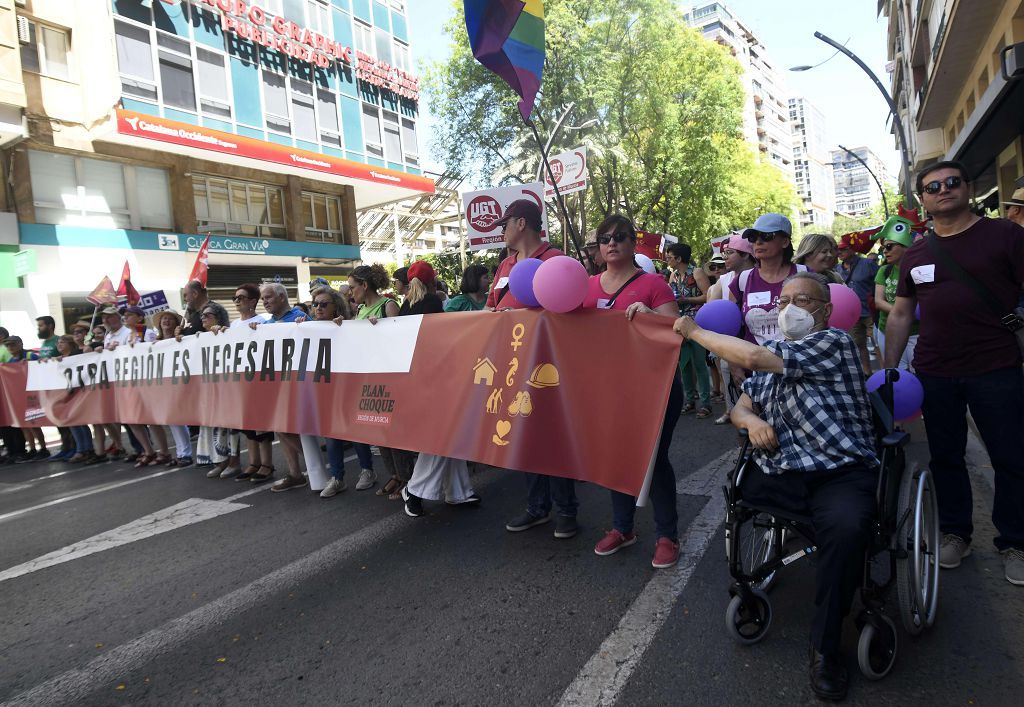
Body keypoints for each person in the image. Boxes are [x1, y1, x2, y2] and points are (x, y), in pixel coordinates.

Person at [676, 272, 877, 701]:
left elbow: (750, 357)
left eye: (802, 300)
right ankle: (749, 584)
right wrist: (752, 421)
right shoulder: (775, 357)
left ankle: (825, 649)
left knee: (844, 529)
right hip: (785, 468)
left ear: (824, 311)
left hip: (839, 470)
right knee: (742, 496)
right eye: (784, 300)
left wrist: (694, 331)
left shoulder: (834, 344)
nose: (789, 308)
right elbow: (742, 409)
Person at [884, 160, 1024, 586]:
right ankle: (955, 533)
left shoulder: (1007, 235)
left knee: (1011, 457)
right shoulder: (917, 253)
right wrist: (890, 370)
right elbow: (902, 313)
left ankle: (1015, 542)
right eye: (932, 187)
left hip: (996, 367)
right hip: (935, 370)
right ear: (923, 200)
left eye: (951, 183)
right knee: (946, 456)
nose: (943, 190)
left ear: (968, 187)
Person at [583, 214, 684, 568]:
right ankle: (622, 528)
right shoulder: (587, 286)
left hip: (655, 392)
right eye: (605, 237)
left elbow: (677, 331)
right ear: (598, 247)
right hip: (609, 391)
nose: (612, 243)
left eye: (621, 237)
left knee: (653, 461)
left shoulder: (654, 284)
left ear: (632, 243)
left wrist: (650, 317)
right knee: (616, 456)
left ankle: (667, 536)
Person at [489, 200, 579, 540]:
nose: (502, 230)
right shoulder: (504, 266)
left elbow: (574, 311)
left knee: (554, 437)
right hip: (512, 366)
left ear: (522, 223)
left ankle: (566, 510)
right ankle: (537, 507)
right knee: (524, 435)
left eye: (505, 224)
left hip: (549, 368)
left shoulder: (556, 261)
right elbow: (491, 309)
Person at [349, 264, 401, 493]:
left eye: (353, 287)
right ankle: (394, 475)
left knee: (394, 431)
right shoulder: (359, 310)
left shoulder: (388, 306)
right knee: (379, 431)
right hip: (368, 378)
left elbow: (398, 340)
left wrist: (380, 330)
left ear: (364, 285)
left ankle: (405, 477)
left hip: (388, 378)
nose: (351, 292)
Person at [257, 282, 309, 491]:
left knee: (290, 428)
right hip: (277, 386)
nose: (265, 302)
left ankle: (320, 463)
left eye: (268, 297)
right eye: (263, 299)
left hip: (298, 384)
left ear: (281, 297)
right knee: (280, 427)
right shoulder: (268, 324)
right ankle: (296, 474)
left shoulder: (301, 318)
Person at [727, 213, 807, 346]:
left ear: (785, 241)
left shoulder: (805, 275)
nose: (758, 242)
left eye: (766, 236)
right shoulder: (741, 281)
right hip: (752, 364)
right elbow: (731, 329)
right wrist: (736, 365)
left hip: (797, 363)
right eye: (753, 237)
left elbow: (821, 322)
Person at [706, 235, 757, 425]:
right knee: (729, 377)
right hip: (731, 344)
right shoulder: (724, 280)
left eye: (730, 253)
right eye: (724, 253)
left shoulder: (762, 275)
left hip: (757, 344)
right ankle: (731, 410)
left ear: (746, 255)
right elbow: (712, 311)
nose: (725, 258)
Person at [666, 243, 713, 417]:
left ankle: (706, 403)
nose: (667, 259)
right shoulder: (673, 275)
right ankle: (690, 400)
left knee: (699, 362)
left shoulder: (697, 272)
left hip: (697, 321)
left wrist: (686, 300)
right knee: (684, 363)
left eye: (670, 257)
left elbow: (708, 295)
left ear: (679, 259)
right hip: (679, 322)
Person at [871, 216, 918, 369]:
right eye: (883, 248)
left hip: (917, 333)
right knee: (896, 374)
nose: (885, 251)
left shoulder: (920, 269)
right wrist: (903, 312)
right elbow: (879, 301)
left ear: (906, 246)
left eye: (890, 246)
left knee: (918, 373)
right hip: (888, 331)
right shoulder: (884, 271)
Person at [835, 233, 879, 375]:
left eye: (843, 249)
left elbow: (879, 283)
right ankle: (868, 374)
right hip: (852, 315)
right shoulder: (837, 269)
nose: (839, 252)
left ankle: (885, 372)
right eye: (838, 250)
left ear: (852, 250)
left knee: (878, 344)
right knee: (859, 345)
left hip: (871, 312)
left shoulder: (868, 264)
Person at [155, 310, 193, 466]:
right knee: (172, 419)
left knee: (177, 418)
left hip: (179, 381)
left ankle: (185, 454)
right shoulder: (155, 343)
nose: (166, 321)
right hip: (163, 383)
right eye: (164, 319)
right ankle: (181, 454)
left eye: (170, 319)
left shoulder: (181, 339)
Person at [55, 335, 95, 463]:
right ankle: (80, 449)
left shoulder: (77, 354)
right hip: (66, 393)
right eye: (58, 343)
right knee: (72, 422)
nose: (59, 344)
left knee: (80, 421)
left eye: (62, 342)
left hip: (79, 392)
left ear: (70, 344)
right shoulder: (59, 359)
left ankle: (87, 449)